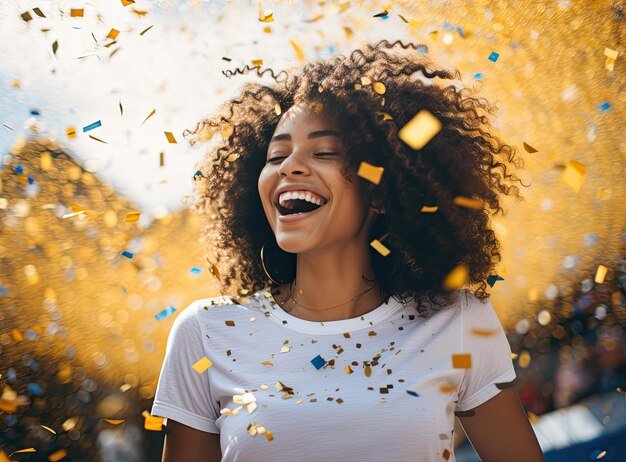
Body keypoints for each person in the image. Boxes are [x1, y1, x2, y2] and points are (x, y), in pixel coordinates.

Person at [151, 39, 545, 461]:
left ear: (380, 189)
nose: (289, 167)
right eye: (276, 155)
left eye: (324, 152)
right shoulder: (206, 332)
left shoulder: (458, 321)